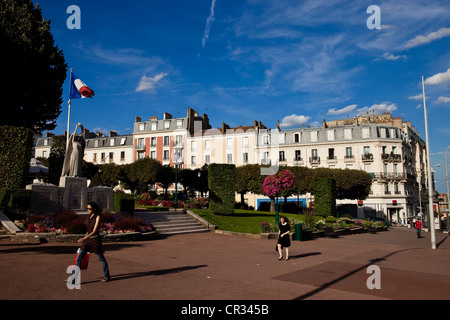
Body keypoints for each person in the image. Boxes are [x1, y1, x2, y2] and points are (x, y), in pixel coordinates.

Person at [74, 201, 111, 282]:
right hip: (87, 241)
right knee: (78, 259)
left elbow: (94, 231)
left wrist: (84, 238)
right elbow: (88, 230)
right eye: (87, 208)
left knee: (101, 260)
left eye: (89, 209)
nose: (88, 210)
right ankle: (73, 279)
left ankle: (107, 276)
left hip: (95, 240)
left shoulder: (97, 217)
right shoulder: (88, 217)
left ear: (94, 209)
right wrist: (84, 237)